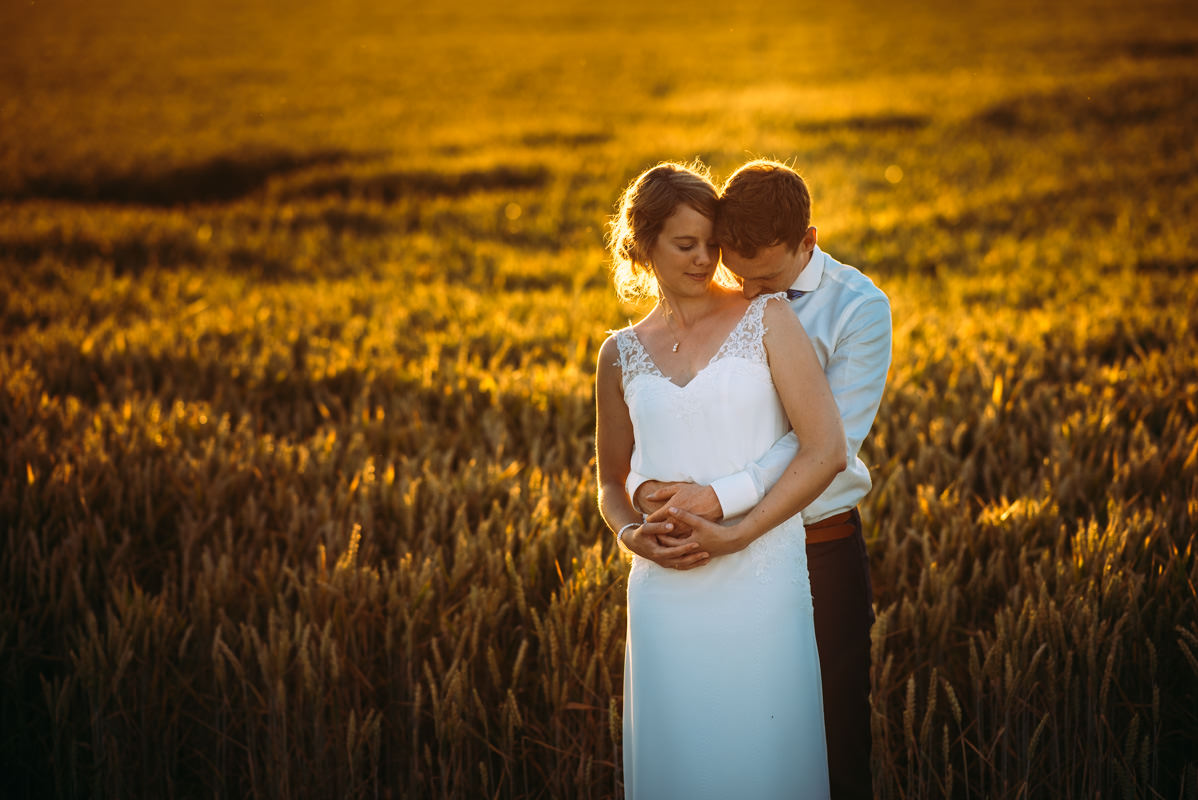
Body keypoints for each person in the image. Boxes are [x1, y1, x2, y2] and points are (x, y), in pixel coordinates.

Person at [627, 159, 892, 800]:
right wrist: (646, 502)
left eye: (766, 279)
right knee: (723, 742)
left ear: (809, 241)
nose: (749, 296)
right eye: (735, 274)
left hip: (816, 545)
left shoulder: (860, 310)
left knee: (831, 749)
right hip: (711, 555)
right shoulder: (724, 298)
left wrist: (723, 502)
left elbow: (823, 446)